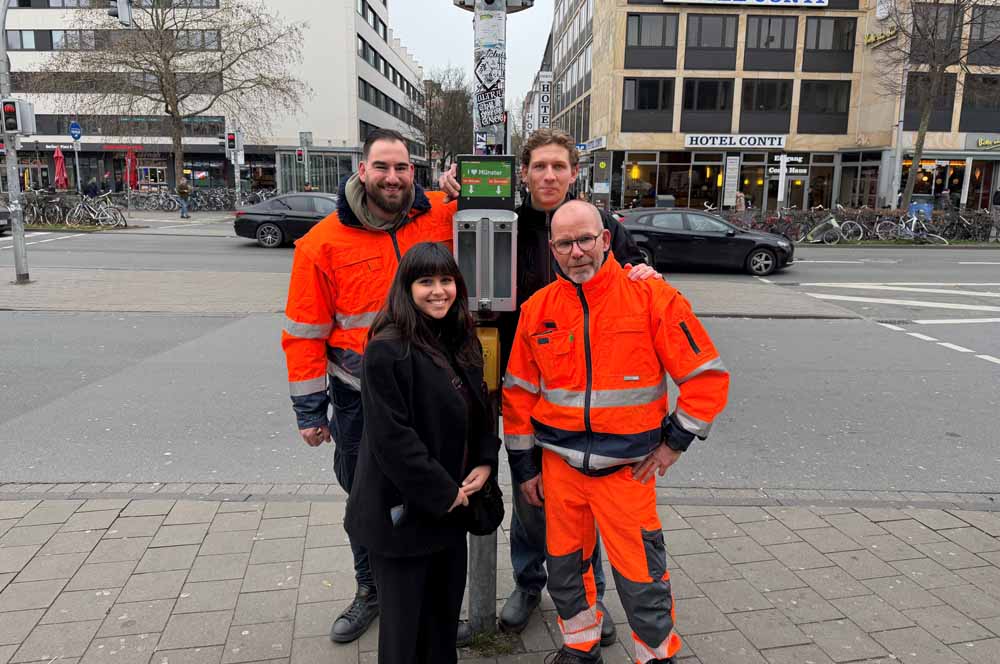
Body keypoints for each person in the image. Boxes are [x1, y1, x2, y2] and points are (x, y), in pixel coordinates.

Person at [439, 127, 658, 644]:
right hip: (519, 381)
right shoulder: (504, 220)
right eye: (539, 166)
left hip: (583, 392)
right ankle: (528, 584)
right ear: (525, 173)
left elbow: (632, 280)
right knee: (530, 492)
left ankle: (589, 600)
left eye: (559, 166)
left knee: (585, 502)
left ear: (574, 173)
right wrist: (448, 191)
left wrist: (649, 273)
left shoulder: (596, 226)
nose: (549, 175)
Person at [503, 200, 730, 664]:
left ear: (606, 240)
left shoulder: (651, 297)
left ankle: (656, 655)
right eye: (565, 243)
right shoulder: (537, 310)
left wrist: (674, 444)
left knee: (643, 577)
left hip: (630, 472)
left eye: (586, 239)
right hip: (559, 469)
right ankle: (581, 648)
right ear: (553, 250)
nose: (577, 251)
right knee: (566, 572)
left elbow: (706, 377)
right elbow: (518, 397)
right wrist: (525, 467)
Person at [281, 128, 456, 644]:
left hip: (430, 391)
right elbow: (303, 331)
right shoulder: (321, 243)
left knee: (437, 487)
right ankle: (370, 591)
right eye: (382, 167)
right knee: (365, 495)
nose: (393, 177)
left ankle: (436, 596)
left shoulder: (441, 215)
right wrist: (310, 411)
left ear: (413, 172)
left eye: (402, 168)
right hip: (359, 397)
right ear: (362, 171)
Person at [345, 242, 499, 664]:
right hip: (404, 515)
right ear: (406, 288)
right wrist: (444, 491)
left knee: (442, 623)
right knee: (403, 634)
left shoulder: (459, 334)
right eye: (425, 281)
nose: (438, 291)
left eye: (446, 280)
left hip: (450, 510)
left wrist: (486, 461)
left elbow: (480, 406)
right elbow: (392, 439)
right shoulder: (387, 348)